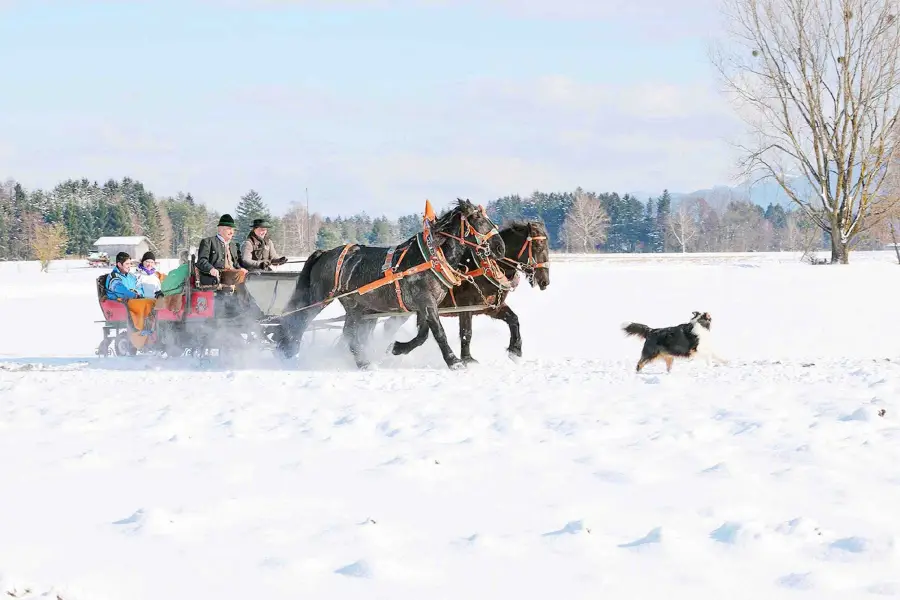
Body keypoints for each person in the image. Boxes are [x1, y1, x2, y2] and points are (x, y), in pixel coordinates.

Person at [196, 213, 247, 287]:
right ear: (220, 229)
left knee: (250, 276)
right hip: (217, 275)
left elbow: (236, 264)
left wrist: (242, 269)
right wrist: (211, 269)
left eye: (233, 229)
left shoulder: (234, 245)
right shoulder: (208, 242)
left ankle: (249, 297)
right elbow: (202, 261)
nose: (232, 232)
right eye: (229, 229)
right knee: (240, 275)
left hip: (233, 274)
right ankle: (245, 298)